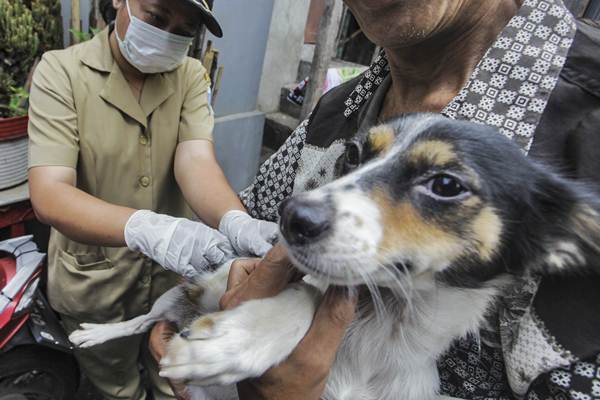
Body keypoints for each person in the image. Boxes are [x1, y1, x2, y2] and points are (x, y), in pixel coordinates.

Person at [152, 0, 600, 398]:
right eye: (354, 161)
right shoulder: (340, 107)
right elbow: (254, 235)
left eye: (444, 186)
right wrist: (191, 318)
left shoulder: (587, 124)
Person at [26, 0, 279, 399]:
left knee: (174, 377)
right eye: (156, 18)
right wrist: (145, 227)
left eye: (184, 31)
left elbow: (195, 158)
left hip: (172, 280)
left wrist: (234, 220)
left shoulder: (191, 75)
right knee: (115, 384)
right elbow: (50, 191)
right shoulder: (61, 72)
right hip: (94, 283)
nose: (167, 37)